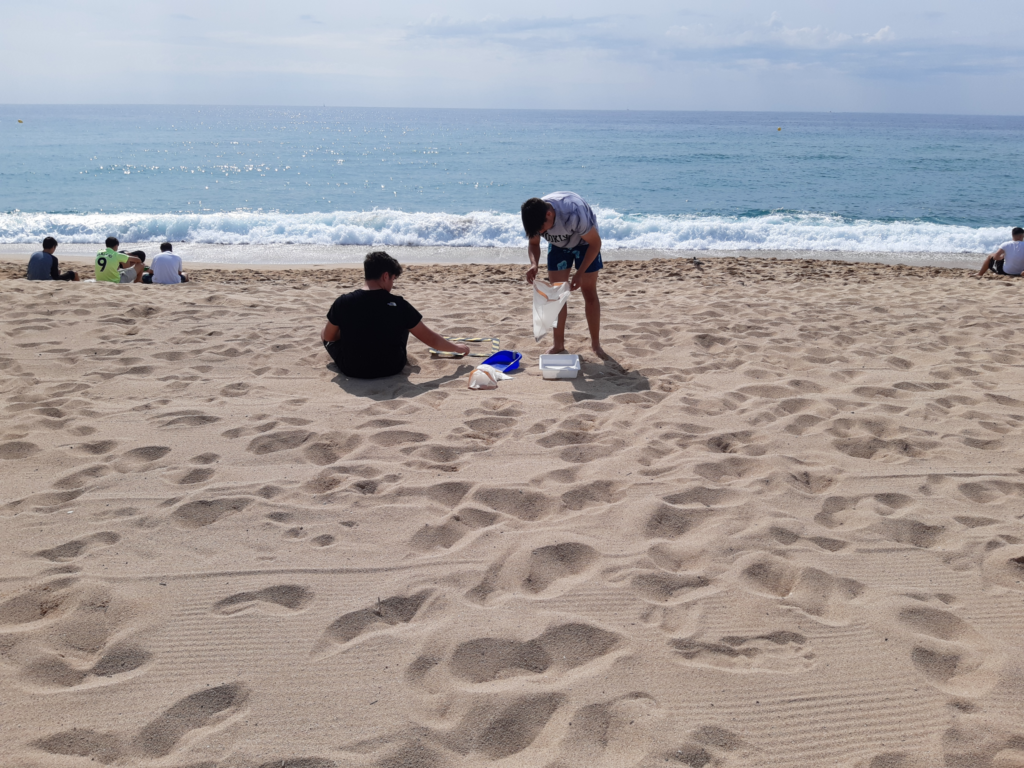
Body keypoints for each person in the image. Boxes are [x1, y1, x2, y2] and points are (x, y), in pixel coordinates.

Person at [320, 251, 470, 379]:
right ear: (386, 276)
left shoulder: (343, 302)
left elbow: (329, 337)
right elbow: (431, 339)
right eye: (393, 279)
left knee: (326, 332)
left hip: (352, 369)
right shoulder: (399, 304)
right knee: (403, 323)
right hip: (391, 367)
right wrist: (457, 348)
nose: (392, 284)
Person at [521, 191, 607, 358]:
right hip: (559, 246)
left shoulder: (574, 212)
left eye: (542, 229)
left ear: (549, 214)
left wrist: (579, 274)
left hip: (586, 244)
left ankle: (596, 345)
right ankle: (558, 345)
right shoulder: (534, 217)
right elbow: (533, 243)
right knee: (557, 295)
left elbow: (596, 243)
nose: (541, 233)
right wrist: (534, 264)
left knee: (589, 291)